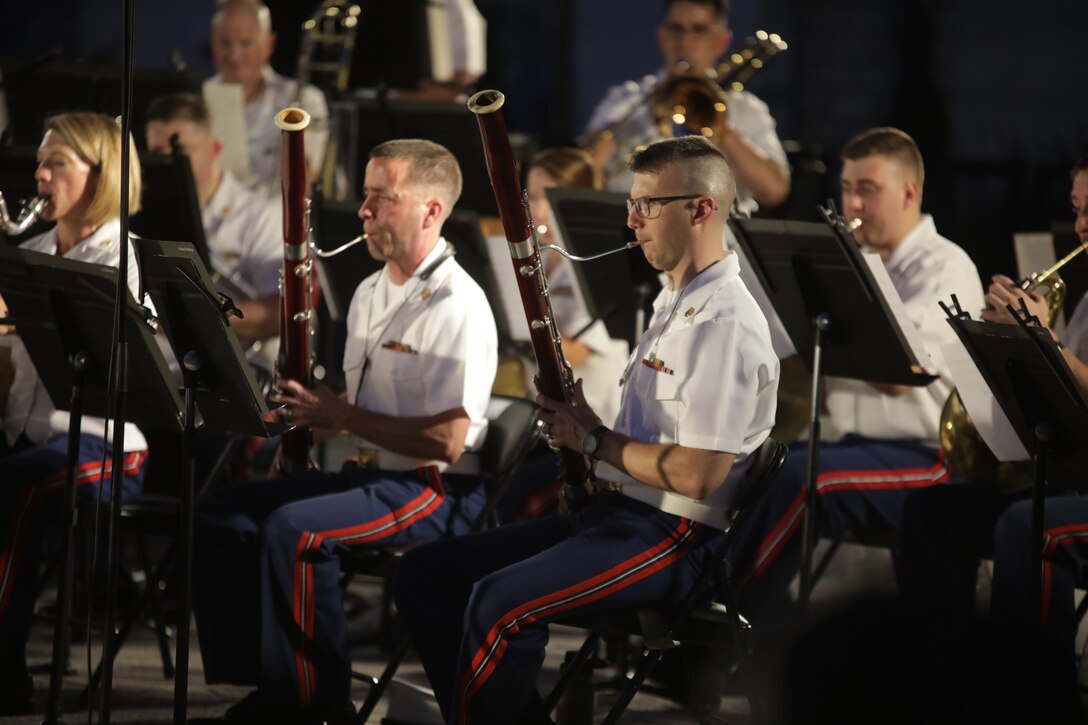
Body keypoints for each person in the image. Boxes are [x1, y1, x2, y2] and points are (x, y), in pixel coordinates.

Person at [394, 135, 780, 724]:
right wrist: (585, 424)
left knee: (500, 604)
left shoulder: (723, 321)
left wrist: (594, 442)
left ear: (701, 208)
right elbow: (647, 439)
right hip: (620, 517)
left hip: (673, 538)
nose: (631, 220)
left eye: (648, 205)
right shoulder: (674, 296)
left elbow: (698, 476)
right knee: (425, 575)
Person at [189, 139, 498, 725]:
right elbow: (361, 411)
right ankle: (272, 685)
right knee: (222, 513)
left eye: (381, 198)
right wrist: (307, 419)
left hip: (432, 488)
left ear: (430, 210)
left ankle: (317, 707)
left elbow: (447, 442)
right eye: (365, 196)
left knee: (296, 531)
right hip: (369, 474)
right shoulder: (368, 291)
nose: (363, 212)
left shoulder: (458, 304)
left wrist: (345, 417)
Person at [727, 127, 985, 617]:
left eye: (867, 189)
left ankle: (731, 630)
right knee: (747, 467)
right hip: (852, 443)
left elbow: (900, 372)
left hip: (930, 454)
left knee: (801, 481)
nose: (852, 203)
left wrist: (828, 307)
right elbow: (775, 347)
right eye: (846, 188)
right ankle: (748, 630)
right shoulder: (853, 260)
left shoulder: (945, 266)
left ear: (909, 192)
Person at [898, 157, 1088, 716]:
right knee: (933, 514)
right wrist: (1005, 344)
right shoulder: (1085, 301)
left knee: (1028, 529)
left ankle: (1032, 704)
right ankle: (941, 686)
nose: (1080, 227)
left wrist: (1043, 340)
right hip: (1074, 479)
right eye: (1077, 210)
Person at [0, 113, 150, 715]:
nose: (39, 175)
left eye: (57, 162)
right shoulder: (30, 252)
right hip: (27, 433)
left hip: (107, 445)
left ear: (101, 175)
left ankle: (6, 667)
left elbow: (124, 379)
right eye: (41, 161)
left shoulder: (125, 261)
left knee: (15, 488)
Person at [583, 0, 790, 212]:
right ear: (662, 37)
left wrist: (722, 130)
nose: (685, 42)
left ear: (721, 41)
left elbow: (774, 191)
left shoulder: (746, 109)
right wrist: (607, 139)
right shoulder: (626, 99)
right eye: (676, 29)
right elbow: (582, 172)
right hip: (630, 226)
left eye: (698, 30)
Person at [145, 92, 282, 371]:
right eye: (157, 153)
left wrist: (189, 319)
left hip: (242, 367)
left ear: (215, 149)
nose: (169, 163)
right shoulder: (143, 213)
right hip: (165, 362)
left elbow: (280, 313)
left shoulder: (262, 216)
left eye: (179, 150)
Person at [207, 0, 329, 197]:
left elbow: (305, 179)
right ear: (212, 43)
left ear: (269, 44)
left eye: (246, 44)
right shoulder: (197, 101)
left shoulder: (305, 99)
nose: (234, 56)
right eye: (224, 44)